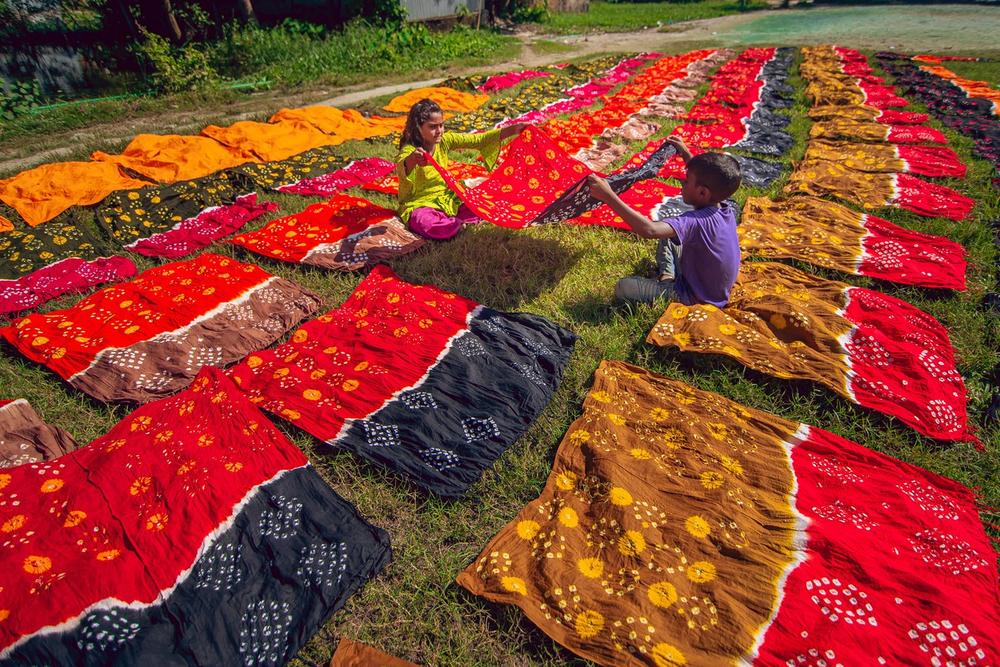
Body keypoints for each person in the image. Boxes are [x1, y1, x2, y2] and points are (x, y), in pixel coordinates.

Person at [588, 136, 742, 307]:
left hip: (695, 297)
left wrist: (608, 196)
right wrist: (685, 153)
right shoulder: (724, 207)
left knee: (623, 287)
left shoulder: (696, 221)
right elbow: (706, 179)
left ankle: (667, 282)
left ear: (702, 193)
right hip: (706, 283)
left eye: (687, 180)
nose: (682, 182)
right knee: (669, 234)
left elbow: (649, 230)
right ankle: (667, 277)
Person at [396, 99, 529, 240]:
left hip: (447, 199)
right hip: (421, 204)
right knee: (424, 222)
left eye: (441, 125)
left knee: (485, 202)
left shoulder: (445, 140)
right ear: (418, 127)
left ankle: (453, 223)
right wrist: (414, 159)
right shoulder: (410, 150)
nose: (439, 131)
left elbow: (480, 140)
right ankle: (454, 225)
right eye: (433, 127)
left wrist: (514, 129)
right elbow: (403, 164)